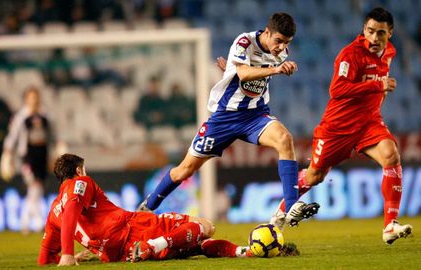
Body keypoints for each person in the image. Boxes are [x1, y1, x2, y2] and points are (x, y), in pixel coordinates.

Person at [137, 12, 319, 226]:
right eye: (278, 41)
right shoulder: (244, 41)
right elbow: (243, 74)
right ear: (267, 32)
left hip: (255, 116)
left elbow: (247, 75)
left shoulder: (280, 52)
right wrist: (274, 69)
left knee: (285, 140)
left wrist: (230, 70)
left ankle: (290, 207)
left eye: (286, 43)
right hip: (224, 118)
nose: (281, 47)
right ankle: (147, 208)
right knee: (185, 170)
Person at [270, 7, 413, 244]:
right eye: (370, 31)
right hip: (338, 127)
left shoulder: (390, 52)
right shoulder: (350, 55)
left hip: (368, 122)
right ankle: (280, 212)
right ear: (363, 30)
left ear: (390, 33)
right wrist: (377, 87)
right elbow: (337, 90)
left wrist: (376, 102)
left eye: (381, 33)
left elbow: (378, 82)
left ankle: (390, 225)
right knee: (315, 176)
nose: (375, 38)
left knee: (391, 155)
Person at [38, 153, 256, 266]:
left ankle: (243, 251)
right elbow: (73, 208)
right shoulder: (81, 182)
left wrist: (64, 257)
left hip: (121, 255)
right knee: (205, 226)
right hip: (134, 229)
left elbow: (44, 259)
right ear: (78, 170)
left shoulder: (54, 210)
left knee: (194, 245)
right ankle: (154, 245)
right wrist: (67, 254)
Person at [0, 86, 57, 234]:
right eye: (31, 97)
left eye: (36, 97)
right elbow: (12, 136)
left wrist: (54, 153)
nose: (34, 100)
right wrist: (7, 154)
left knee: (37, 188)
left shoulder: (45, 116)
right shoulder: (21, 117)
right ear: (26, 99)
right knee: (34, 186)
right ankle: (36, 222)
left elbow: (52, 136)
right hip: (27, 157)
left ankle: (25, 221)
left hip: (42, 156)